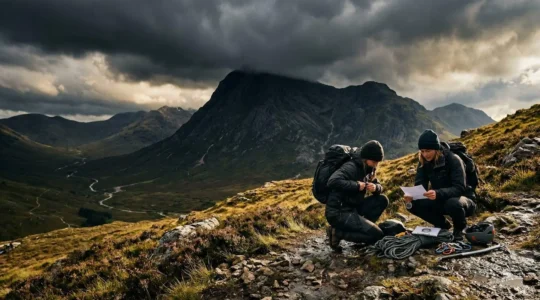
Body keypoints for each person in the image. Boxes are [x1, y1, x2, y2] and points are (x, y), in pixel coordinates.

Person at [405, 129, 476, 241]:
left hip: (464, 200)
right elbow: (420, 185)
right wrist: (413, 195)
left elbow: (460, 188)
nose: (425, 154)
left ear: (436, 149)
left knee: (452, 203)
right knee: (412, 204)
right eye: (422, 151)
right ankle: (442, 225)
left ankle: (459, 229)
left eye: (428, 151)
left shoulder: (453, 159)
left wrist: (438, 193)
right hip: (441, 199)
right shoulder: (423, 161)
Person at [325, 140, 389, 251]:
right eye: (374, 161)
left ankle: (363, 231)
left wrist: (376, 188)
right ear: (366, 158)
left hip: (353, 207)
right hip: (338, 212)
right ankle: (337, 233)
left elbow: (378, 185)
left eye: (377, 162)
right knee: (378, 235)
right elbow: (332, 181)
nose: (376, 165)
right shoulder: (351, 167)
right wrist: (356, 185)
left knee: (382, 199)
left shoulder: (368, 168)